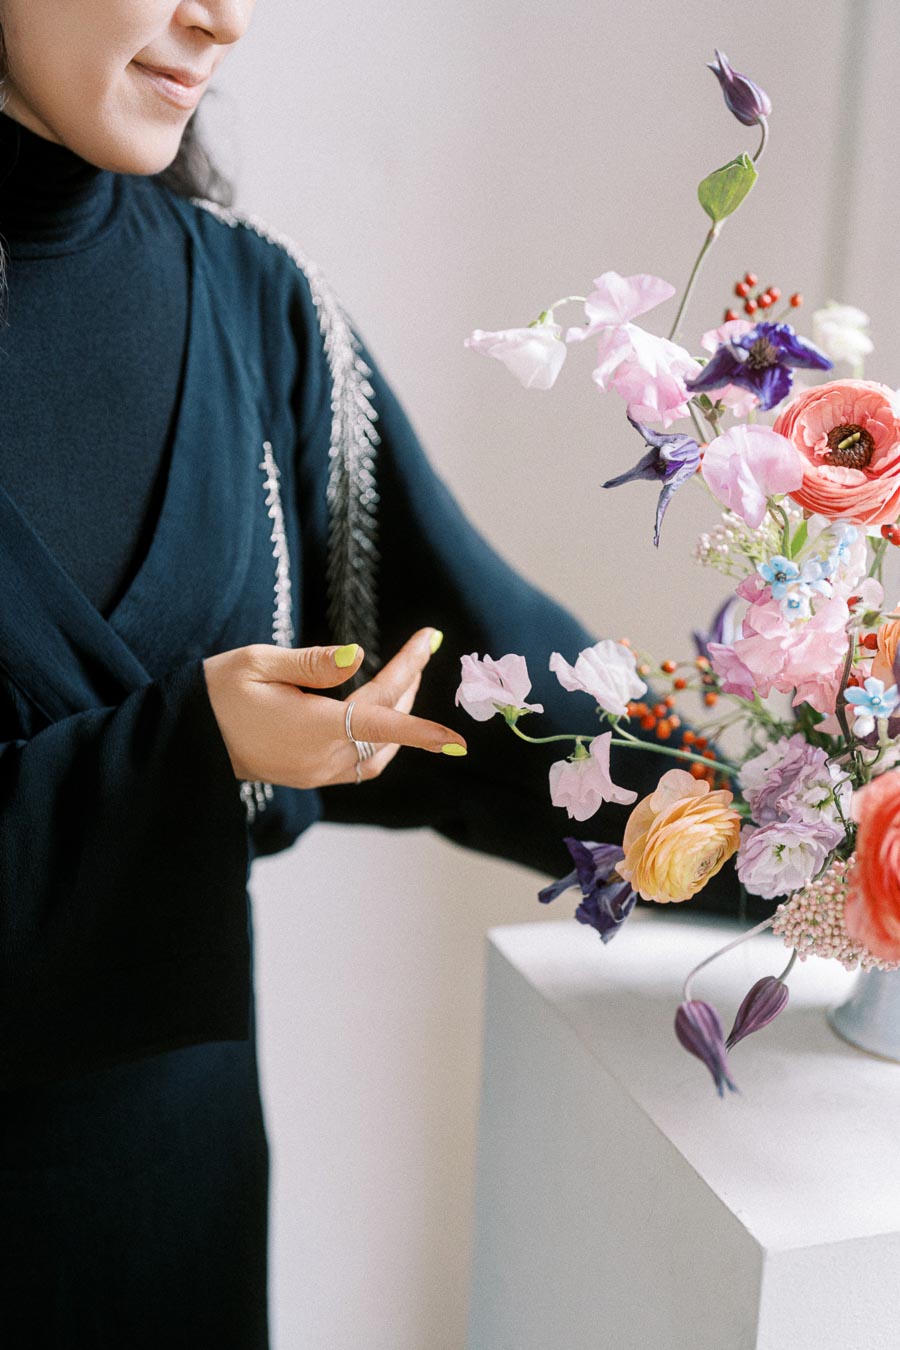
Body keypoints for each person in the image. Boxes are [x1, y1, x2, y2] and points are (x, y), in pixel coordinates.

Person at [0, 3, 748, 1345]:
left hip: (166, 1214)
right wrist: (184, 748)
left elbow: (498, 687)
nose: (223, 19)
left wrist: (815, 839)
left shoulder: (254, 310)